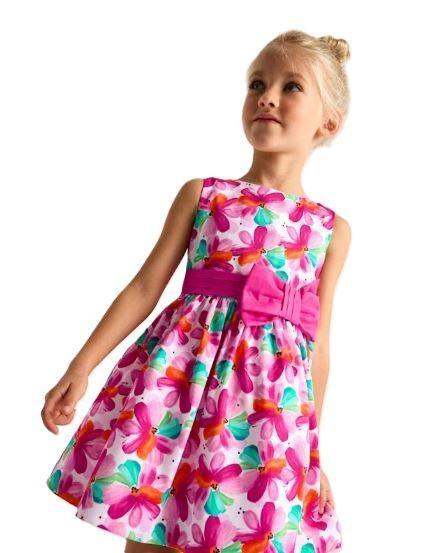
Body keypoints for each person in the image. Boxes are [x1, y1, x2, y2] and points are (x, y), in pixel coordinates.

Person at [42, 29, 351, 553]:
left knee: (241, 531)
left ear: (329, 123)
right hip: (178, 392)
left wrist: (311, 452)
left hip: (263, 413)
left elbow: (317, 345)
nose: (267, 97)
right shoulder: (205, 196)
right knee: (151, 524)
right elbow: (145, 287)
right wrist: (82, 365)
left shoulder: (329, 230)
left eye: (291, 87)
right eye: (257, 84)